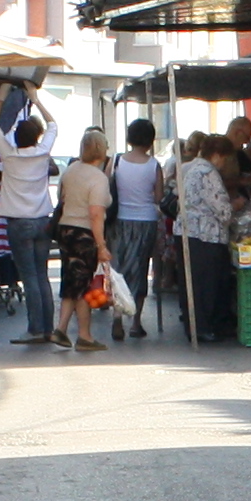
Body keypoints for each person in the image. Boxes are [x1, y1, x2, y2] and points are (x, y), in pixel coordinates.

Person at [0, 100, 63, 347]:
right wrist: (36, 97)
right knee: (42, 276)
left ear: (16, 138)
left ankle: (35, 329)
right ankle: (48, 328)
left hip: (18, 222)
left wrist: (0, 97)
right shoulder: (43, 153)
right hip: (43, 220)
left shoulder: (9, 156)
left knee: (29, 276)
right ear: (36, 136)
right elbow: (53, 125)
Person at [50, 130, 114, 353]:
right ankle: (78, 334)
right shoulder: (98, 178)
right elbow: (96, 214)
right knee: (83, 284)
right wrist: (101, 246)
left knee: (74, 281)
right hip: (84, 234)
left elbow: (62, 198)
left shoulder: (71, 170)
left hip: (65, 230)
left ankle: (67, 330)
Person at [107, 118, 167, 339]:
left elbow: (106, 189)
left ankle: (117, 317)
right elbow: (159, 198)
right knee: (140, 270)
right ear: (150, 140)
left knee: (119, 269)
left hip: (120, 221)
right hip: (146, 221)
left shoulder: (116, 161)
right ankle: (136, 322)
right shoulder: (153, 165)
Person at [177, 132, 239, 347]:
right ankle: (204, 328)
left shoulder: (189, 168)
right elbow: (222, 209)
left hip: (187, 232)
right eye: (225, 158)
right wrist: (234, 208)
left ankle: (195, 326)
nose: (225, 163)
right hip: (206, 235)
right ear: (217, 155)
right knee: (207, 285)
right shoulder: (208, 173)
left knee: (192, 284)